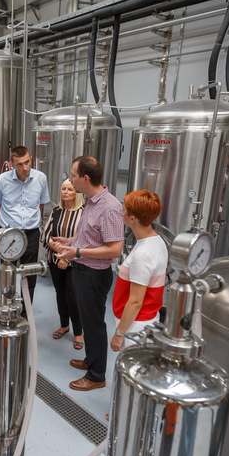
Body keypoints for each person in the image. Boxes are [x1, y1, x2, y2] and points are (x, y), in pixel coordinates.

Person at [54, 156, 124, 391]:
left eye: (73, 175)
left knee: (94, 324)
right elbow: (91, 236)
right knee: (87, 320)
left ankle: (96, 376)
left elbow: (115, 249)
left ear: (85, 178)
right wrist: (70, 241)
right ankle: (91, 360)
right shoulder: (92, 202)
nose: (70, 179)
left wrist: (77, 251)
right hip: (82, 269)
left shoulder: (110, 207)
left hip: (94, 275)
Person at [0, 146, 50, 316]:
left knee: (30, 274)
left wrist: (30, 221)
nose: (24, 167)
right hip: (9, 234)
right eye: (19, 164)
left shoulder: (40, 178)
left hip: (31, 233)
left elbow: (41, 204)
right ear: (12, 164)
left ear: (31, 158)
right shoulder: (2, 181)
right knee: (7, 274)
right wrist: (9, 223)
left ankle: (25, 313)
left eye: (27, 162)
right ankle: (7, 310)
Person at [110, 190, 167, 352]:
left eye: (123, 209)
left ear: (132, 218)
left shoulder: (143, 254)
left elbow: (135, 302)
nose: (121, 211)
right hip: (142, 320)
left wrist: (119, 334)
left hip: (135, 327)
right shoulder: (156, 240)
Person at [41, 179, 85, 350]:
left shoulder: (83, 213)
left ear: (77, 193)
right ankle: (64, 325)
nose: (66, 192)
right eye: (63, 189)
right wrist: (60, 254)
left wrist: (66, 258)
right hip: (54, 260)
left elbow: (84, 240)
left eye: (70, 189)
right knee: (60, 294)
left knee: (73, 296)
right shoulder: (56, 211)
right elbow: (46, 236)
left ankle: (79, 332)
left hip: (75, 263)